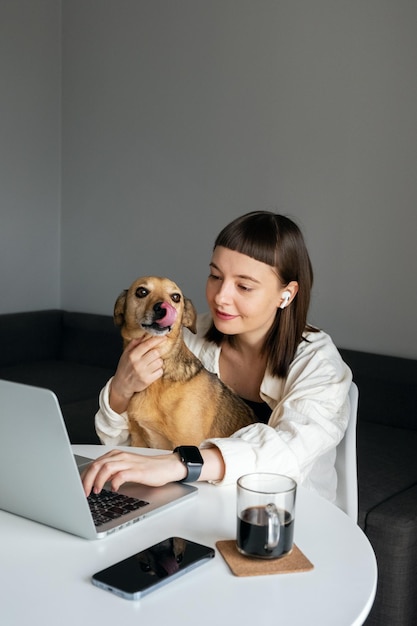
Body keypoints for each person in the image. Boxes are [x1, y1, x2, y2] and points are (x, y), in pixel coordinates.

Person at [82, 211, 352, 502]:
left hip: (289, 516)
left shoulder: (319, 365)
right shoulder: (187, 339)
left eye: (244, 286)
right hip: (198, 503)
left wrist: (180, 463)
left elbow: (288, 450)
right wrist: (121, 388)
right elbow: (129, 448)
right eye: (215, 276)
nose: (220, 297)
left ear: (286, 294)